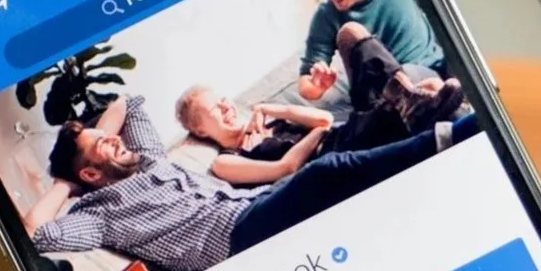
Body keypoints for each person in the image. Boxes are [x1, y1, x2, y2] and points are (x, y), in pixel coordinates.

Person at [25, 93, 479, 271]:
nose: (113, 139)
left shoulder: (148, 159)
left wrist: (95, 138)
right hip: (233, 239)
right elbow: (38, 233)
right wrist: (65, 183)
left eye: (108, 136)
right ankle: (459, 135)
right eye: (102, 147)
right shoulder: (98, 216)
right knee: (325, 172)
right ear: (88, 175)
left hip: (256, 205)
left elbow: (130, 102)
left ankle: (455, 149)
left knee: (340, 181)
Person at [180, 23, 465, 186]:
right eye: (215, 109)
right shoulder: (226, 161)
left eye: (223, 100)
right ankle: (413, 105)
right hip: (341, 151)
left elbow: (321, 117)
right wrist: (318, 132)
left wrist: (267, 109)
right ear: (201, 130)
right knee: (434, 88)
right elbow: (286, 168)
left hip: (352, 128)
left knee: (350, 33)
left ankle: (410, 103)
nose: (227, 107)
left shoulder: (266, 120)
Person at [298, 0, 447, 102]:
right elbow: (305, 85)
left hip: (431, 69)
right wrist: (317, 86)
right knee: (352, 32)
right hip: (380, 91)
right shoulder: (326, 16)